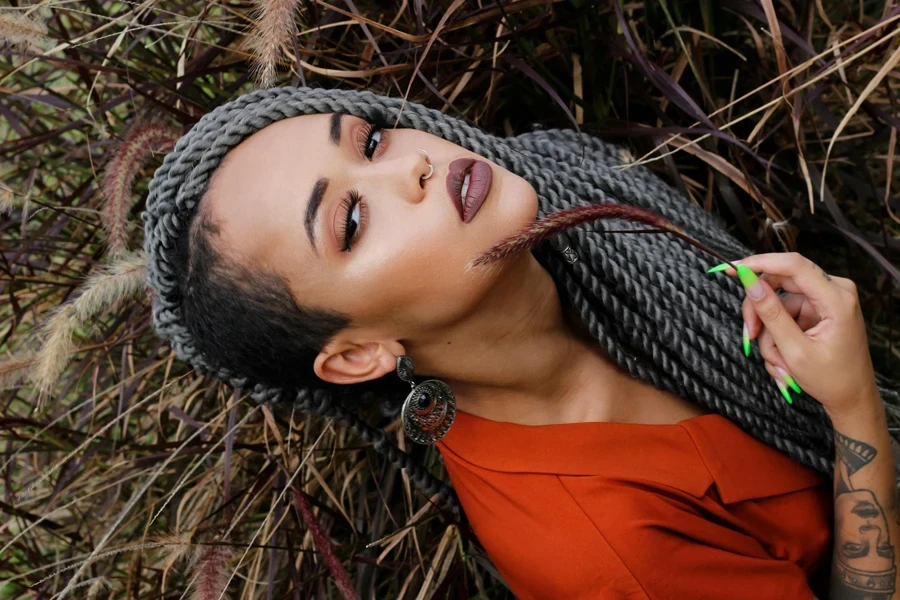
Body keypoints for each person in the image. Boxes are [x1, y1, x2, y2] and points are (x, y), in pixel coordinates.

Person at [142, 86, 898, 599]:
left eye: (370, 141)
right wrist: (855, 407)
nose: (413, 165)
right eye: (350, 221)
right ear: (354, 355)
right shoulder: (601, 548)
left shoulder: (588, 224)